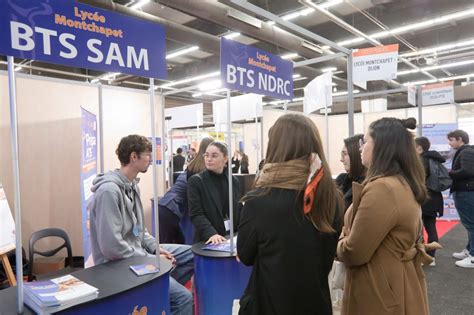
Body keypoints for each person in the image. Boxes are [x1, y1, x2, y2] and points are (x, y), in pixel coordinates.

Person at [237, 113, 343, 315]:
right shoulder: (331, 198)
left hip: (269, 305)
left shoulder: (258, 200)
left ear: (276, 147)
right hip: (316, 305)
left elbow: (245, 255)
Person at [88, 135, 194, 315]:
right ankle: (159, 285)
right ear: (133, 157)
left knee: (193, 254)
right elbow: (112, 249)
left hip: (136, 254)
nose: (151, 159)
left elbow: (140, 231)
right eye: (147, 154)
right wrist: (151, 259)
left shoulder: (132, 186)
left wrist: (156, 249)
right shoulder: (109, 192)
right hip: (117, 265)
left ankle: (156, 287)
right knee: (183, 298)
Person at [337, 118, 433, 315]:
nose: (361, 148)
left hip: (379, 291)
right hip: (392, 282)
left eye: (365, 141)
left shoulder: (383, 188)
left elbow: (355, 252)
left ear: (380, 146)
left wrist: (337, 240)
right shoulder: (400, 182)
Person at [158, 137, 214, 244]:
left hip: (167, 205)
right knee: (168, 246)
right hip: (172, 208)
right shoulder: (202, 169)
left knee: (177, 243)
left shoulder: (193, 165)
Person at [188, 141, 240, 244]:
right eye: (206, 155)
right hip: (207, 239)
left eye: (214, 156)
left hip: (230, 237)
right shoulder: (196, 181)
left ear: (225, 158)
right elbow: (196, 214)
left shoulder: (233, 181)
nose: (209, 159)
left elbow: (237, 210)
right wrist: (211, 234)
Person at [415, 136, 445, 266]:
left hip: (424, 198)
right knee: (431, 228)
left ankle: (423, 256)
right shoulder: (434, 159)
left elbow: (417, 181)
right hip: (435, 198)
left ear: (419, 148)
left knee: (419, 229)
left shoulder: (421, 161)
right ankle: (431, 257)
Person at [447, 129, 474, 268]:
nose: (449, 143)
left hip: (466, 191)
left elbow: (467, 171)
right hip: (464, 191)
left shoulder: (467, 151)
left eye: (451, 140)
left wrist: (449, 173)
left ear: (460, 139)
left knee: (471, 223)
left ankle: (473, 256)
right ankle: (470, 250)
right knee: (469, 223)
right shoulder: (465, 151)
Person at [336, 134, 366, 210]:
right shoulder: (341, 179)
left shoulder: (366, 185)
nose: (341, 159)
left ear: (356, 155)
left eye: (345, 154)